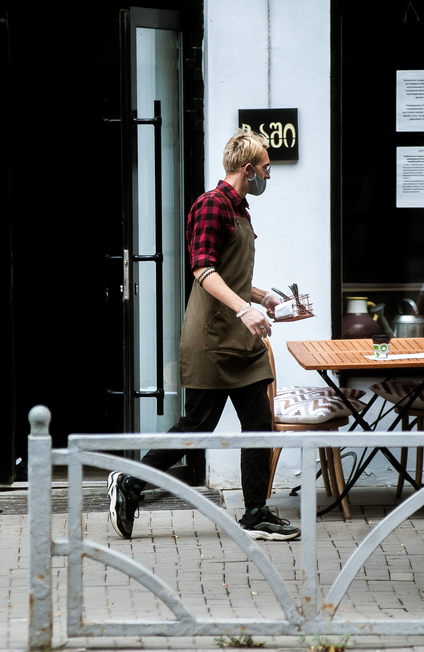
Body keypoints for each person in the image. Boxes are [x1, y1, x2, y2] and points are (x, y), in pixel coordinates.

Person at [107, 130, 300, 541]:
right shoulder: (210, 205)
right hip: (213, 337)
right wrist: (244, 308)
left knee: (259, 422)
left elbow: (230, 275)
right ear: (248, 169)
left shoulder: (241, 210)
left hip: (241, 338)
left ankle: (255, 512)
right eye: (266, 167)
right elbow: (204, 270)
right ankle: (130, 483)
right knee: (196, 426)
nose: (268, 174)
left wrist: (265, 299)